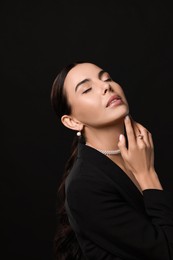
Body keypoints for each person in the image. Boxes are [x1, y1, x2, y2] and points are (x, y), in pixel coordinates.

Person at [50, 61, 173, 260]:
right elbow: (166, 252)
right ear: (72, 121)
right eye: (87, 89)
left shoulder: (136, 152)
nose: (106, 86)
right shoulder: (84, 185)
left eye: (107, 78)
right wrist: (147, 174)